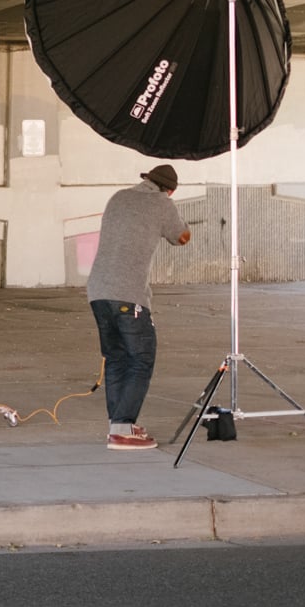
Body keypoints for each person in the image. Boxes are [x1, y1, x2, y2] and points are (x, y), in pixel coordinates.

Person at [87, 164, 191, 451]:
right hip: (128, 294)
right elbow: (181, 237)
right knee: (141, 358)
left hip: (97, 291)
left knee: (116, 359)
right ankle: (122, 431)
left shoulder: (118, 197)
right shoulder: (163, 203)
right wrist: (182, 224)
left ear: (146, 179)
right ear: (170, 190)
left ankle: (118, 426)